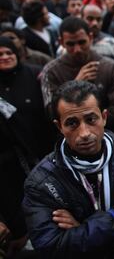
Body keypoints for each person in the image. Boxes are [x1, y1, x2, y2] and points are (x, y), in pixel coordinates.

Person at [22, 80, 114, 259]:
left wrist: (84, 230)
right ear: (59, 127)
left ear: (104, 117)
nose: (85, 133)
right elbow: (51, 246)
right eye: (72, 123)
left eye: (91, 119)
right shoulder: (42, 181)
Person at [0, 36, 54, 258]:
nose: (4, 57)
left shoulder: (34, 75)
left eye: (8, 53)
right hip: (5, 164)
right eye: (0, 54)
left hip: (38, 155)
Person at [40, 17, 114, 134]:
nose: (77, 49)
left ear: (90, 38)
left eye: (82, 42)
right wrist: (73, 86)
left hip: (110, 137)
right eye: (70, 44)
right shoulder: (51, 71)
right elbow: (51, 113)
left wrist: (94, 123)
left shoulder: (110, 67)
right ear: (61, 42)